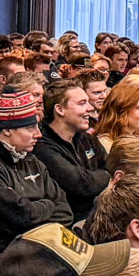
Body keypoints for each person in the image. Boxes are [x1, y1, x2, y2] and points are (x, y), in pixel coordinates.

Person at [0, 89, 74, 246]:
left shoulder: (32, 160)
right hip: (10, 253)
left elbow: (64, 211)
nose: (38, 134)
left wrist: (37, 211)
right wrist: (49, 205)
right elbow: (21, 216)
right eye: (30, 128)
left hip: (47, 245)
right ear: (7, 130)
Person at [39, 79, 111, 220]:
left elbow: (111, 164)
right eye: (82, 103)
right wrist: (108, 178)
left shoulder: (85, 137)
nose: (90, 108)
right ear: (60, 109)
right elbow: (81, 184)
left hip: (100, 214)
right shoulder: (43, 147)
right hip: (73, 223)